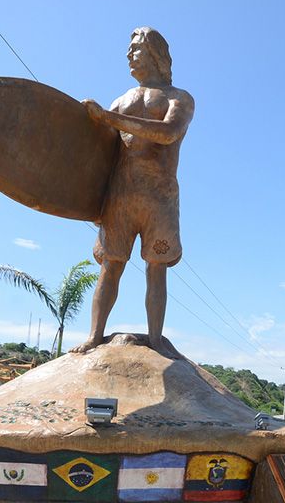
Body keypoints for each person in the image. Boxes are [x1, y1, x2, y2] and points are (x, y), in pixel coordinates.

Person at [75, 27, 195, 357]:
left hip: (160, 197)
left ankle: (156, 340)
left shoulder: (178, 98)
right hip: (120, 196)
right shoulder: (121, 100)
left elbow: (169, 133)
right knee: (111, 265)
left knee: (156, 267)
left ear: (155, 55)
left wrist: (109, 117)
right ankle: (94, 336)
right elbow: (97, 149)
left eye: (136, 49)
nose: (129, 55)